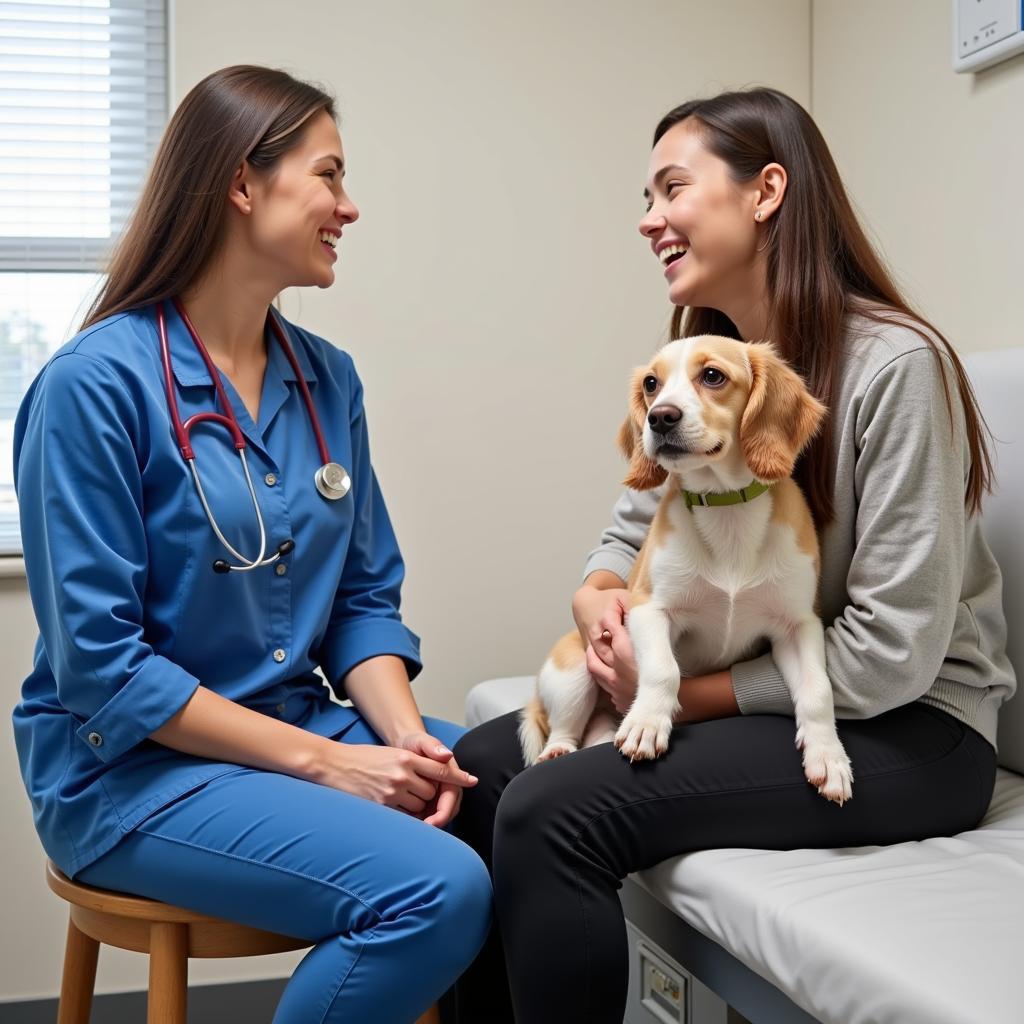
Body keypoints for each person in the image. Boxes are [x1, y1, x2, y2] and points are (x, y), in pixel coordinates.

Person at [443, 87, 1016, 1024]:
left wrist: (666, 693)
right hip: (787, 687)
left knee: (554, 813)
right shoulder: (707, 360)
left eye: (672, 188)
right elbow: (633, 529)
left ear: (766, 192)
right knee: (483, 765)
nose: (649, 219)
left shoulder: (896, 367)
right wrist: (597, 598)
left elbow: (895, 655)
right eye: (647, 196)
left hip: (914, 730)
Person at [12, 65, 491, 1024]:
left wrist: (399, 741)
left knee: (524, 803)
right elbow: (103, 671)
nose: (348, 208)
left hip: (300, 725)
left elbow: (361, 603)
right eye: (329, 176)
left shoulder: (327, 382)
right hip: (134, 774)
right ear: (242, 184)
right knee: (434, 887)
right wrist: (332, 766)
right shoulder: (91, 388)